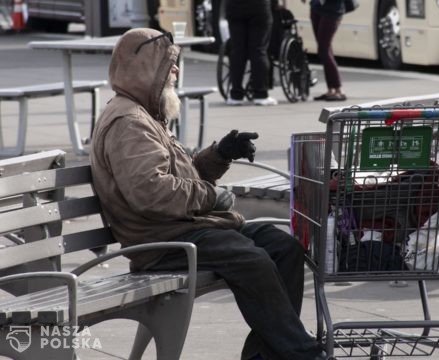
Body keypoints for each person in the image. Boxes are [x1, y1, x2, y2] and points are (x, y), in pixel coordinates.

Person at [90, 28, 325, 360]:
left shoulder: (143, 115)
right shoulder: (129, 122)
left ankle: (270, 355)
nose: (175, 72)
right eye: (168, 64)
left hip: (185, 226)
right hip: (159, 241)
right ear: (144, 69)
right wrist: (211, 197)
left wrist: (221, 154)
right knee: (251, 259)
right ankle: (303, 353)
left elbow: (179, 178)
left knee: (283, 247)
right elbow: (151, 193)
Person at [225, 0, 278, 106]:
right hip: (259, 7)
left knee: (238, 51)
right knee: (259, 50)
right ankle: (260, 94)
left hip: (234, 8)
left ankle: (236, 95)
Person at [306, 0, 348, 101]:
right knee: (325, 49)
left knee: (323, 49)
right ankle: (331, 89)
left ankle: (338, 89)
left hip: (332, 9)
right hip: (316, 7)